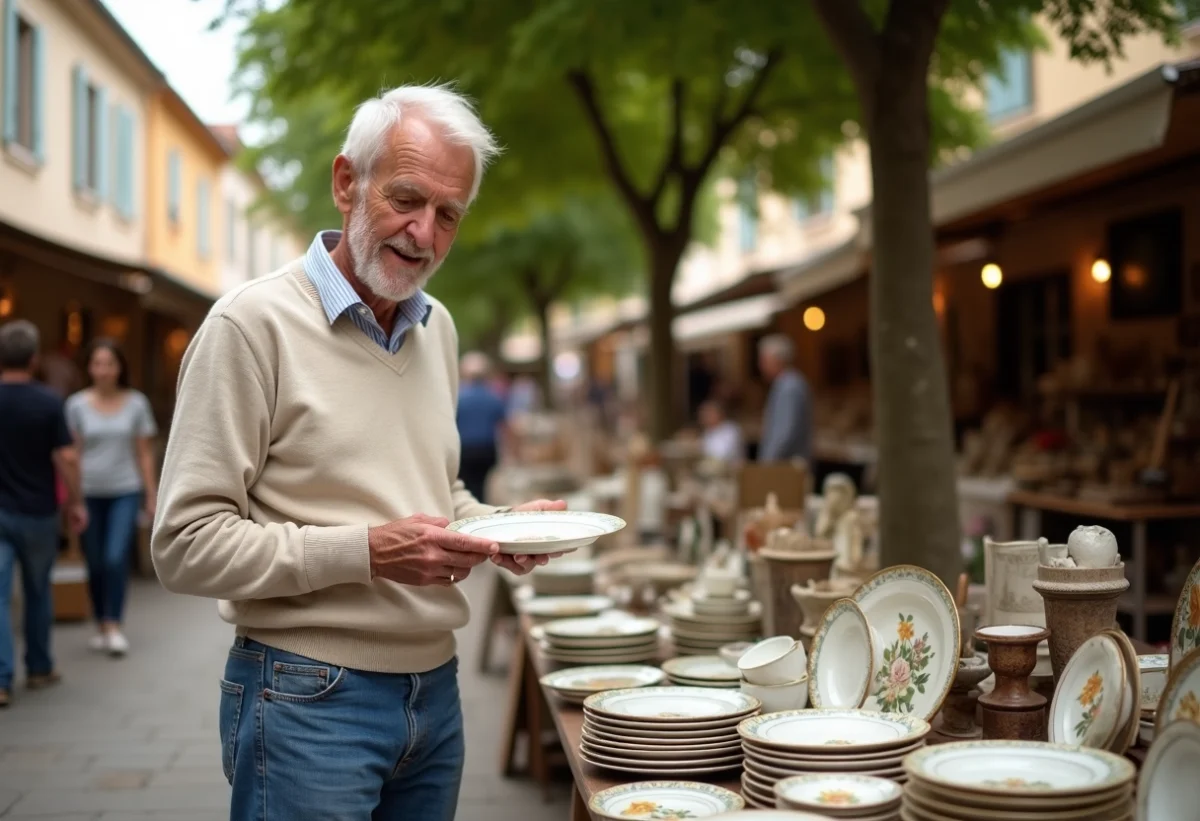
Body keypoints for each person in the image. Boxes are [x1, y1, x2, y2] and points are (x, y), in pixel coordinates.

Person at [151, 84, 565, 821]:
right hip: (305, 693)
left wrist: (498, 528)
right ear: (347, 182)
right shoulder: (249, 326)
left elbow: (435, 489)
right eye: (406, 198)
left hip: (435, 691)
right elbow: (184, 546)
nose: (424, 232)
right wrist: (368, 552)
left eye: (448, 214)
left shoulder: (438, 328)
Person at [0, 320, 87, 707]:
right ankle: (38, 667)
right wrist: (76, 502)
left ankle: (1, 681)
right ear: (34, 359)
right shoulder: (49, 402)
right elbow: (67, 458)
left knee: (0, 597)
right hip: (38, 513)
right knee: (37, 592)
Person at [65, 339, 158, 657]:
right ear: (89, 367)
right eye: (97, 364)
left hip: (125, 490)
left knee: (115, 557)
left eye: (109, 364)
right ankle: (101, 622)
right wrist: (73, 498)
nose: (103, 370)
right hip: (88, 492)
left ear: (120, 368)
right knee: (94, 561)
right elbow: (72, 454)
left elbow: (144, 453)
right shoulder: (76, 405)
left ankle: (114, 624)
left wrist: (151, 494)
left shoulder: (136, 403)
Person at [455, 351, 508, 502]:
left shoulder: (459, 398)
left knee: (467, 485)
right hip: (487, 450)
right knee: (481, 485)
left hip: (465, 450)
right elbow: (505, 425)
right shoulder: (493, 397)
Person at [757, 334, 813, 463]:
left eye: (764, 360)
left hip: (786, 466)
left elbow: (784, 432)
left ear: (777, 360)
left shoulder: (789, 386)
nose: (761, 366)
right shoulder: (785, 383)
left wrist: (767, 462)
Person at [698, 399, 744, 463]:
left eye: (709, 414)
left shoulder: (731, 430)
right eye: (704, 415)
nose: (705, 418)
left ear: (719, 414)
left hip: (732, 466)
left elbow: (723, 454)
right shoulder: (707, 432)